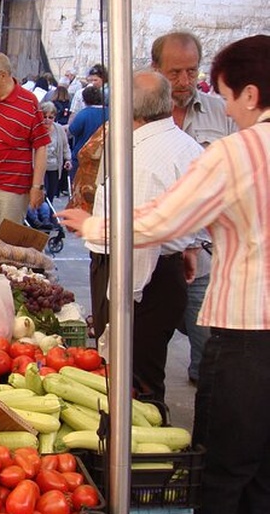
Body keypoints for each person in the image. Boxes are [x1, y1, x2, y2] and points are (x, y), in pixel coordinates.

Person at [58, 35, 270, 514]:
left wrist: (94, 224)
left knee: (227, 464)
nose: (224, 108)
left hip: (248, 332)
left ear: (251, 95)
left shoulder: (239, 151)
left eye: (227, 95)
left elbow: (163, 219)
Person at [84, 70, 205, 403]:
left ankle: (140, 449)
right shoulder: (184, 145)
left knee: (134, 378)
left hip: (137, 282)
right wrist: (189, 246)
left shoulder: (144, 159)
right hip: (163, 271)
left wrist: (121, 308)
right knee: (148, 370)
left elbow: (138, 239)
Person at [150, 31, 237, 384]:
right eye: (175, 73)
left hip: (203, 253)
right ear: (156, 68)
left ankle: (205, 428)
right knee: (147, 351)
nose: (185, 81)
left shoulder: (223, 114)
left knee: (209, 350)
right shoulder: (139, 111)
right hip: (152, 254)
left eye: (191, 71)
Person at [0, 52, 50, 234]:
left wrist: (37, 187)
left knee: (6, 242)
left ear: (3, 76)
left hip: (11, 187)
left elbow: (41, 147)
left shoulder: (28, 102)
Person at [67, 86, 108, 183]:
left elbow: (72, 131)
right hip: (104, 155)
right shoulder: (110, 112)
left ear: (84, 99)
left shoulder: (83, 114)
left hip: (83, 156)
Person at [39, 102, 71, 199]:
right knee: (41, 195)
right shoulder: (36, 129)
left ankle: (49, 212)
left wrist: (68, 159)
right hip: (40, 168)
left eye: (50, 117)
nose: (47, 120)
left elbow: (65, 146)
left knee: (51, 195)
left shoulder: (59, 129)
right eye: (44, 117)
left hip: (54, 168)